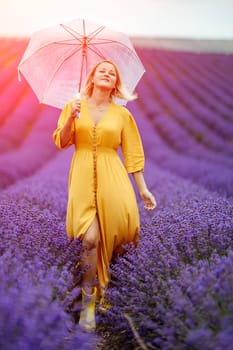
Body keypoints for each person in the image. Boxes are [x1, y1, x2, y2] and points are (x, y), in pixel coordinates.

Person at [53, 60, 156, 331]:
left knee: (110, 241)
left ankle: (105, 294)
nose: (108, 73)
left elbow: (133, 153)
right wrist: (71, 119)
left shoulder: (122, 115)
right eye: (103, 70)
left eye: (113, 72)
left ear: (115, 83)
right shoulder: (73, 106)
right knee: (90, 240)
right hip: (82, 178)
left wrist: (143, 188)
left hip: (114, 179)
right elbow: (62, 141)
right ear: (92, 77)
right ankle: (89, 303)